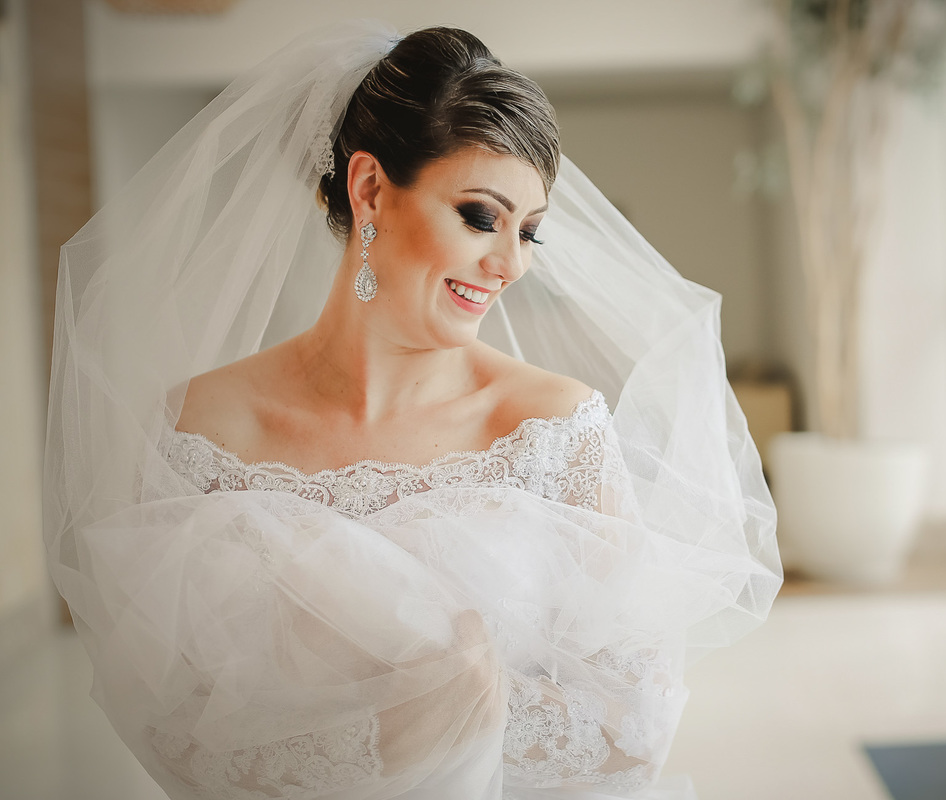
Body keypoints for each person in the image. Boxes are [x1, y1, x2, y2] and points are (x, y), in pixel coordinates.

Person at [44, 21, 781, 800]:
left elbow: (633, 736)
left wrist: (477, 705)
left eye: (529, 232)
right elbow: (169, 728)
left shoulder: (556, 432)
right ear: (368, 189)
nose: (510, 264)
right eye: (479, 217)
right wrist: (395, 733)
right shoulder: (201, 430)